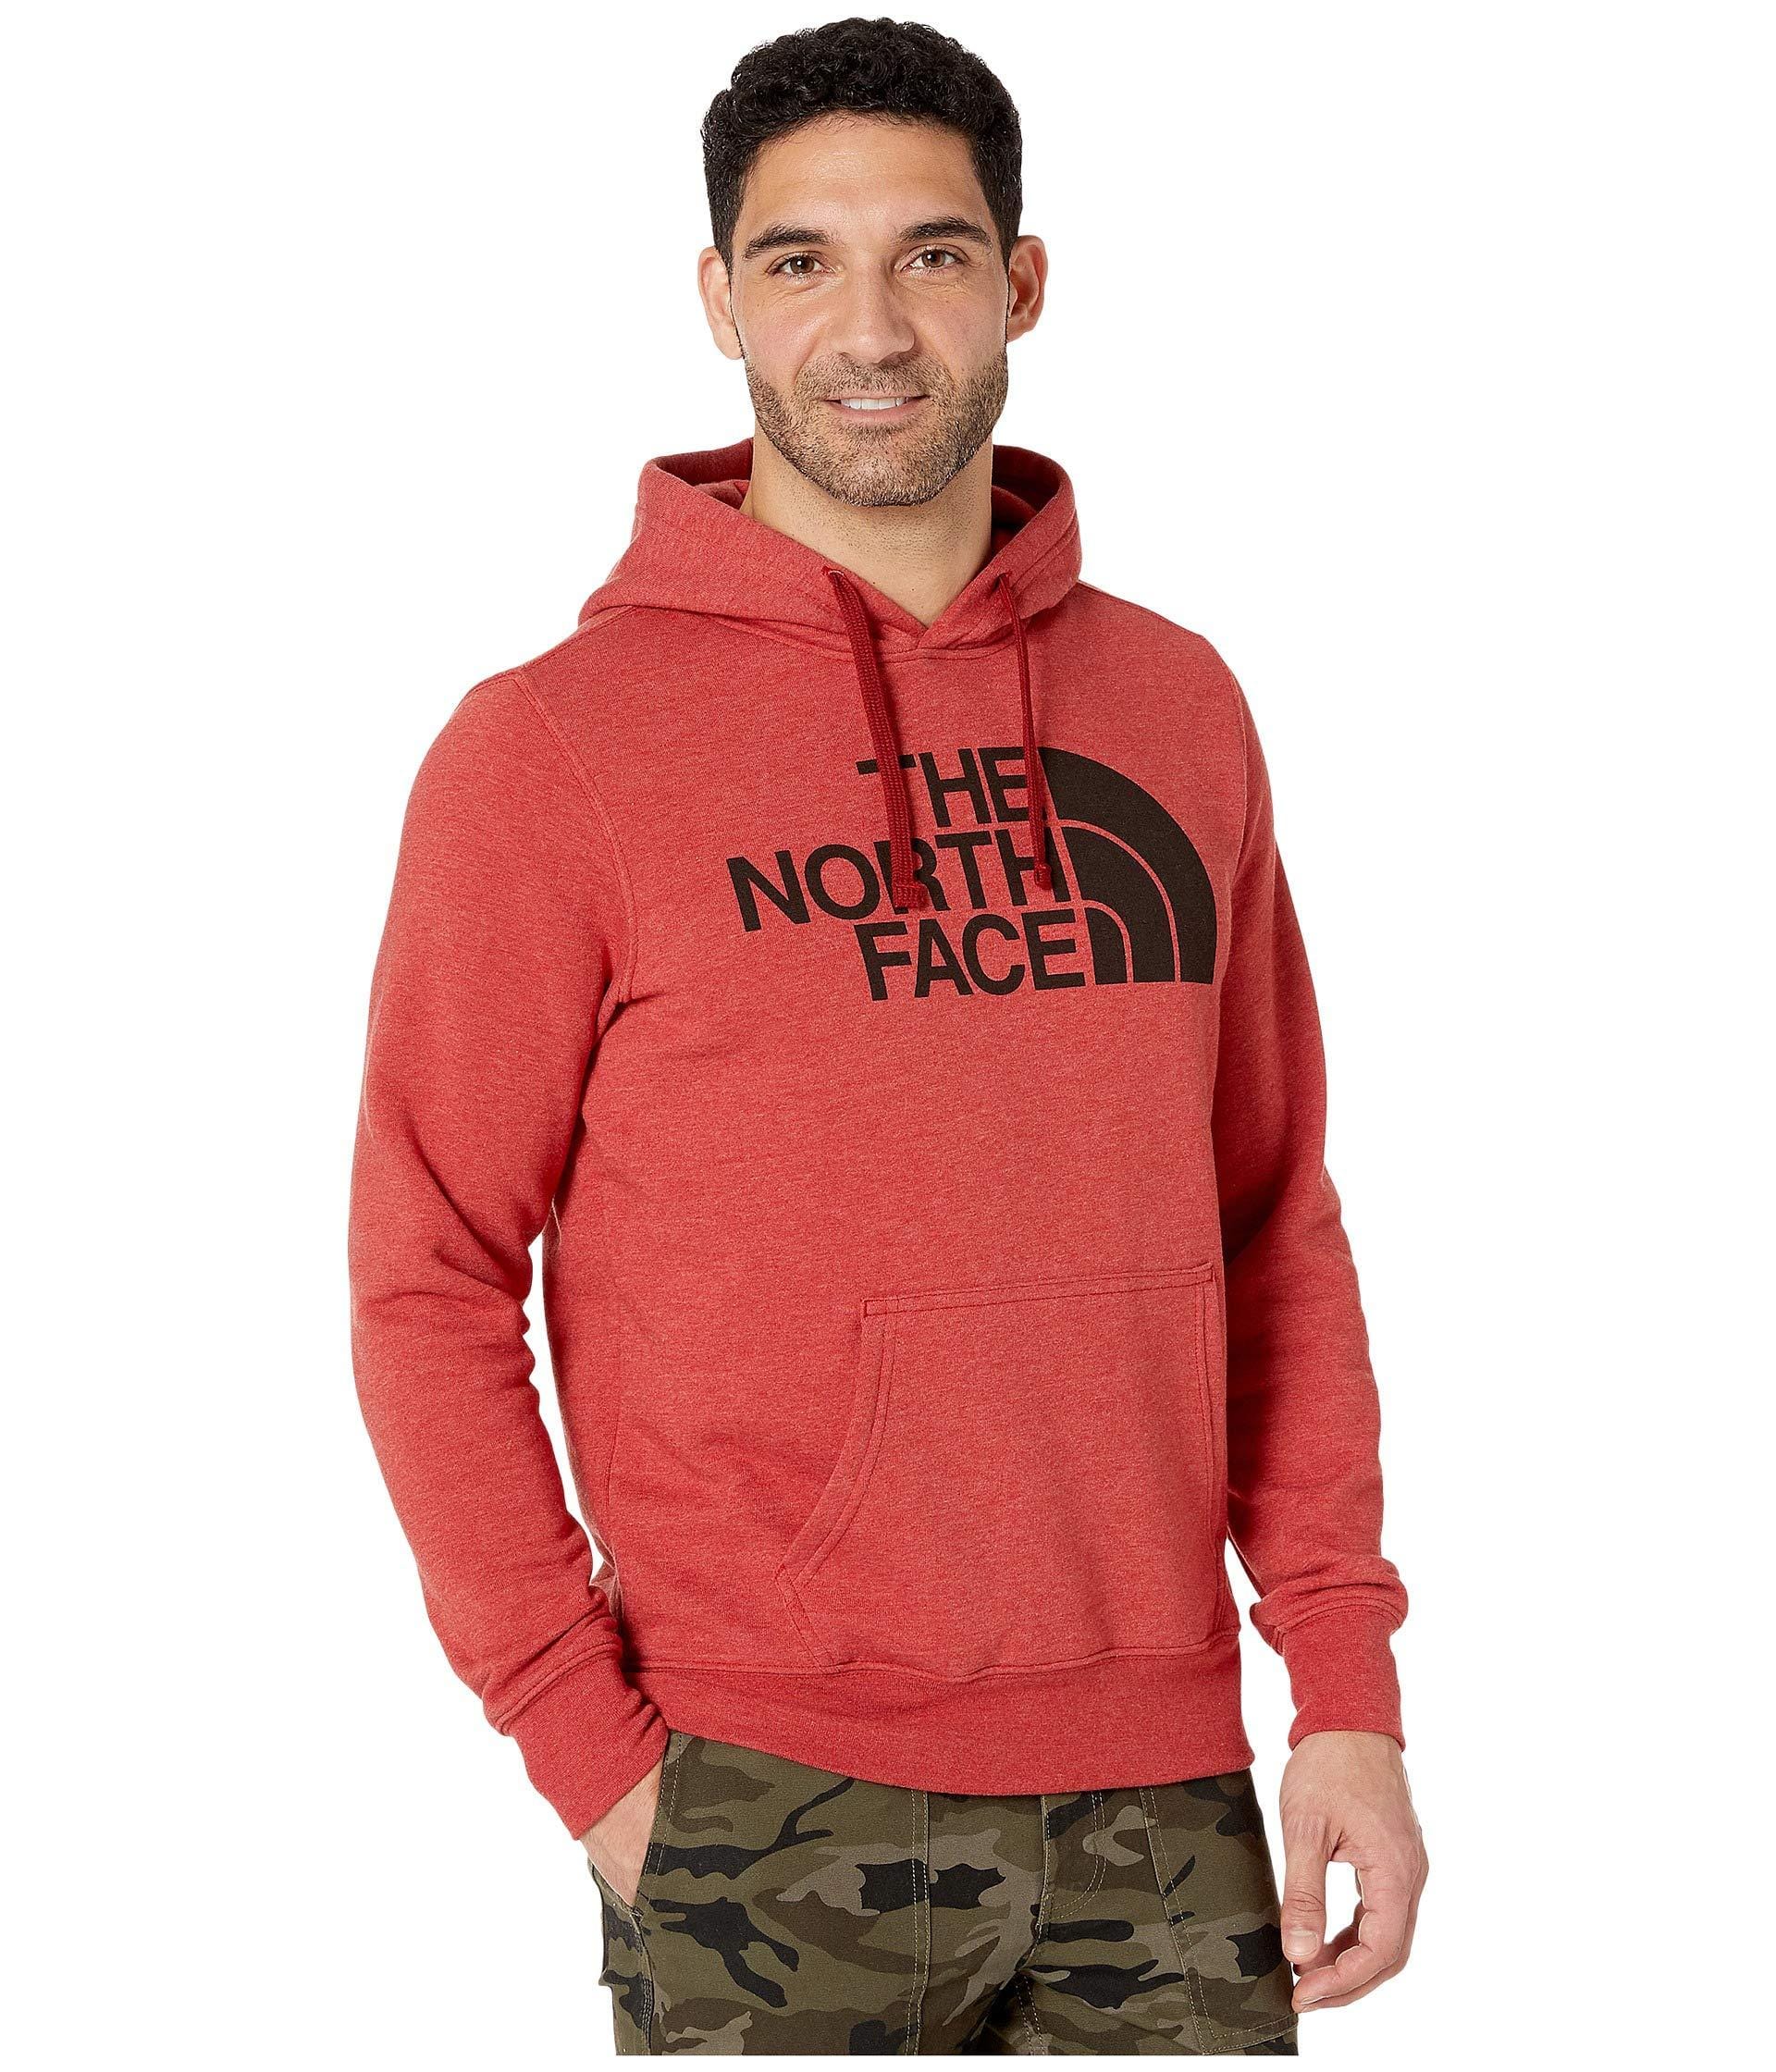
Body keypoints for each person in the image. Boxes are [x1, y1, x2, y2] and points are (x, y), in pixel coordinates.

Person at [348, 16, 1426, 2055]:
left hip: (1175, 1784)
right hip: (761, 1790)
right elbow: (427, 1277)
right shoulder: (551, 751)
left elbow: (1272, 1221)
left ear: (1023, 281)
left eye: (930, 255)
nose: (868, 329)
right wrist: (596, 1759)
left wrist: (1345, 1689)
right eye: (800, 261)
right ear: (718, 299)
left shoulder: (1177, 707)